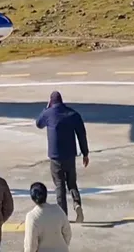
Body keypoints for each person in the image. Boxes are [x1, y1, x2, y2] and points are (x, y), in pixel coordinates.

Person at [34, 91, 89, 223]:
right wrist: (85, 153)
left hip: (55, 156)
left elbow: (38, 123)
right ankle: (77, 204)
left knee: (59, 185)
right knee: (71, 183)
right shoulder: (73, 114)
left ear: (51, 102)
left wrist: (46, 108)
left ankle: (63, 216)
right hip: (70, 155)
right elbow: (81, 134)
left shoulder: (48, 114)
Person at [23, 182, 70, 252]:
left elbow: (30, 246)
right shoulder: (58, 210)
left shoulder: (32, 217)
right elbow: (68, 233)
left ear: (32, 198)